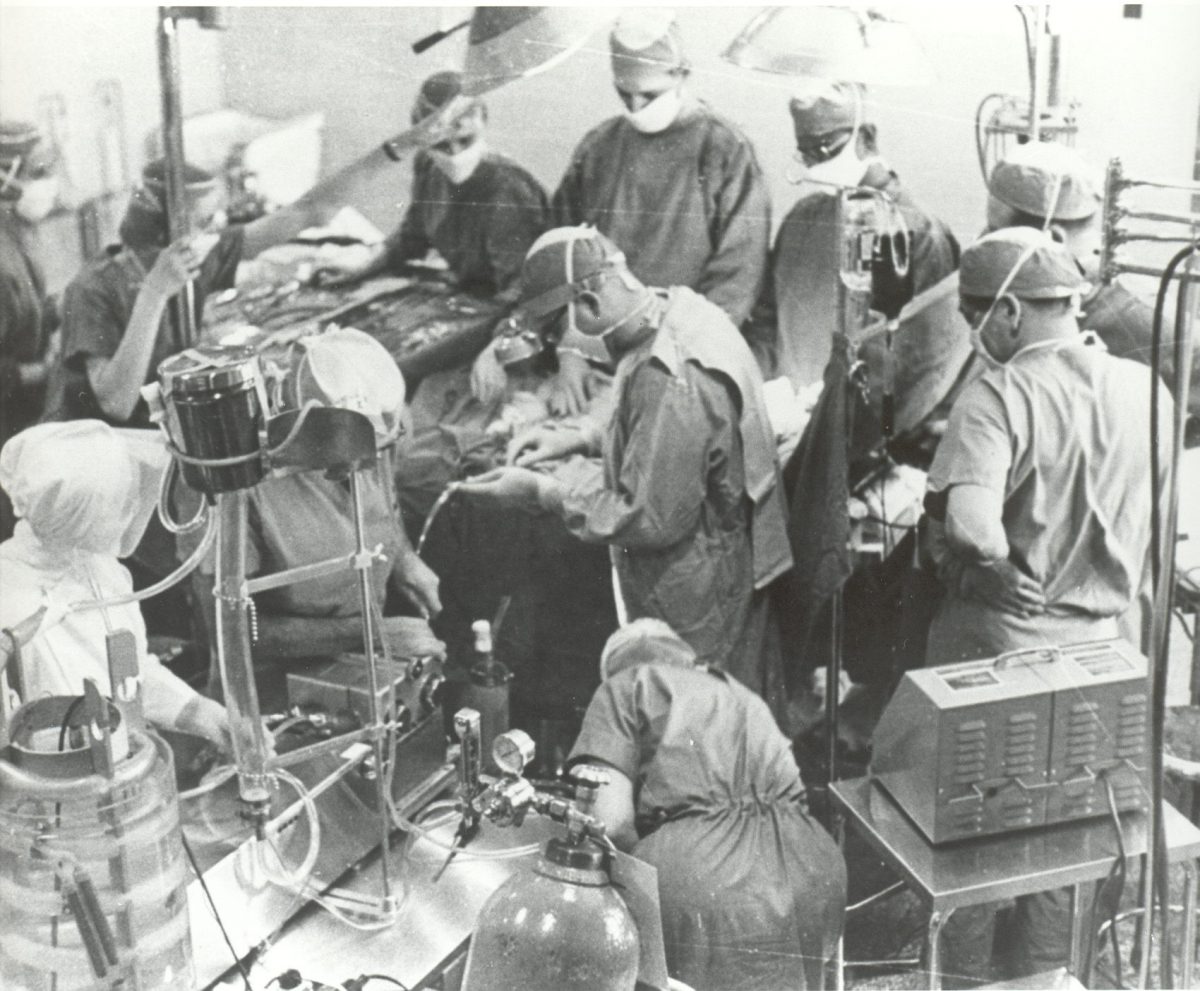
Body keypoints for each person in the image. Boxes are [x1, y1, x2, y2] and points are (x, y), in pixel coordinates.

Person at [923, 228, 1170, 983]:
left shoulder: (998, 394)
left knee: (972, 847)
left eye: (974, 314)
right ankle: (1047, 979)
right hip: (1103, 656)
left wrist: (993, 562)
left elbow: (972, 526)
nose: (974, 330)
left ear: (1008, 313)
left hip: (1003, 657)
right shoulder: (1146, 389)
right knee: (1068, 845)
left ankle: (964, 981)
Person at [458, 228, 792, 716]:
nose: (558, 348)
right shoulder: (681, 311)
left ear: (589, 302)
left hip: (699, 588)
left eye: (556, 334)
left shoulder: (672, 378)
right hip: (725, 557)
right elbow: (670, 435)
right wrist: (581, 437)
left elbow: (650, 520)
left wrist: (543, 491)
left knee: (692, 721)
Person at [568, 619, 847, 991]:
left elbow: (611, 824)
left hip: (704, 879)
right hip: (814, 870)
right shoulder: (741, 693)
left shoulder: (623, 687)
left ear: (613, 667)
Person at [178, 328, 442, 707]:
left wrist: (404, 558)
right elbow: (231, 633)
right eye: (354, 453)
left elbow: (383, 502)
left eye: (378, 450)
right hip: (274, 693)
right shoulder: (228, 479)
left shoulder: (374, 427)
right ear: (306, 427)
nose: (369, 464)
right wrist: (370, 632)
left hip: (367, 657)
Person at [44, 158, 329, 428]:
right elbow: (117, 403)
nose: (215, 228)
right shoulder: (92, 289)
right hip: (92, 440)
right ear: (166, 232)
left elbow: (305, 212)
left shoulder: (193, 261)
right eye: (205, 220)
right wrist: (155, 293)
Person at [0, 420, 230, 750]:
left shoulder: (105, 573)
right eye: (120, 503)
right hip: (51, 775)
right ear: (78, 516)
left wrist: (199, 712)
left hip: (126, 764)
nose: (133, 509)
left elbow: (130, 676)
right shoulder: (9, 595)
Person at [552, 10, 769, 327]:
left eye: (649, 95)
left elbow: (739, 273)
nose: (636, 107)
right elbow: (561, 250)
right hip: (601, 334)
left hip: (686, 336)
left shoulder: (724, 149)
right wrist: (573, 335)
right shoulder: (599, 147)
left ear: (682, 74)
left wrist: (685, 340)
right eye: (624, 94)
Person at [749, 80, 959, 388]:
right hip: (786, 408)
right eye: (806, 153)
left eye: (824, 148)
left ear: (867, 136)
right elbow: (766, 324)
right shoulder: (802, 220)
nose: (815, 165)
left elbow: (927, 365)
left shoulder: (919, 233)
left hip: (862, 411)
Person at [985, 140, 1199, 430]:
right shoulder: (1023, 300)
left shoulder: (1148, 323)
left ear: (1052, 239)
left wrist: (1153, 448)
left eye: (994, 233)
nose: (984, 244)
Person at [317, 70, 550, 299]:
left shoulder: (508, 190)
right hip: (473, 291)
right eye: (442, 145)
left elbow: (522, 291)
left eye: (465, 140)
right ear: (423, 141)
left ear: (483, 123)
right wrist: (366, 264)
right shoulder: (429, 167)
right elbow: (412, 236)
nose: (455, 154)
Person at [0, 121, 60, 540]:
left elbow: (27, 313)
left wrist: (65, 307)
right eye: (37, 172)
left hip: (23, 419)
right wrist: (40, 372)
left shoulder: (17, 230)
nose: (48, 182)